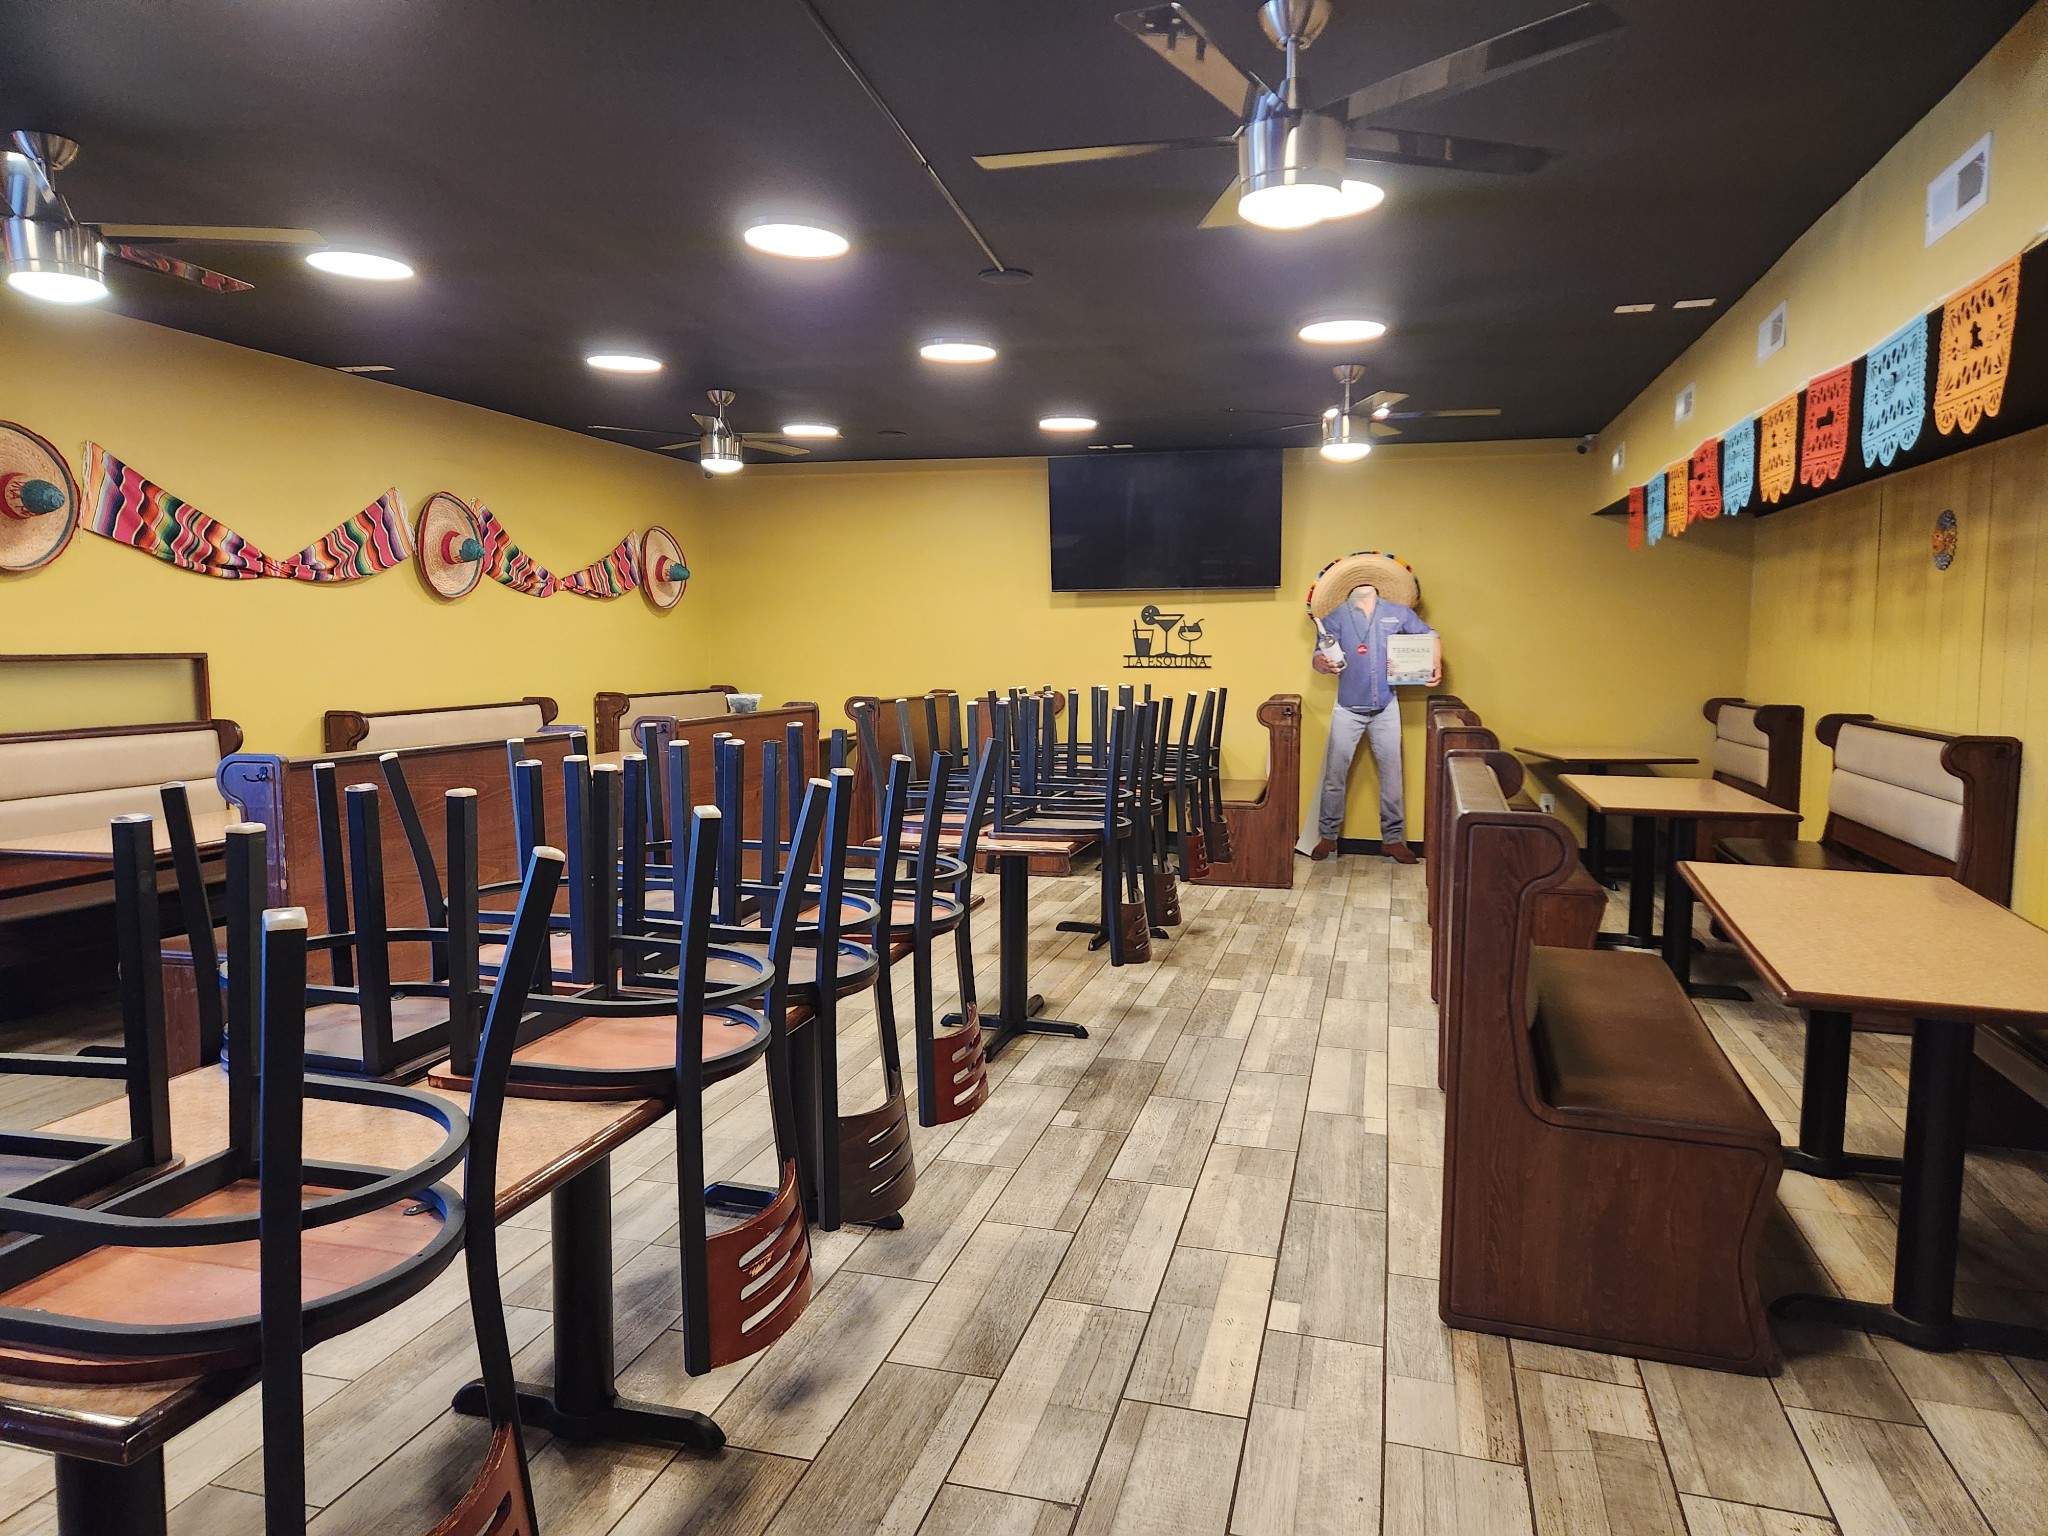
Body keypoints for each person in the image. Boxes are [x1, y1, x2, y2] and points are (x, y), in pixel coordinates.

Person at [1297, 578, 1441, 863]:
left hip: (1386, 705)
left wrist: (1435, 664)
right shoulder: (1335, 617)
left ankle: (1393, 840)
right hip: (1347, 706)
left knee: (1392, 776)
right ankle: (1328, 837)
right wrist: (1321, 664)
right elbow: (1318, 655)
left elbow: (1431, 635)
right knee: (1334, 776)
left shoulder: (1398, 613)